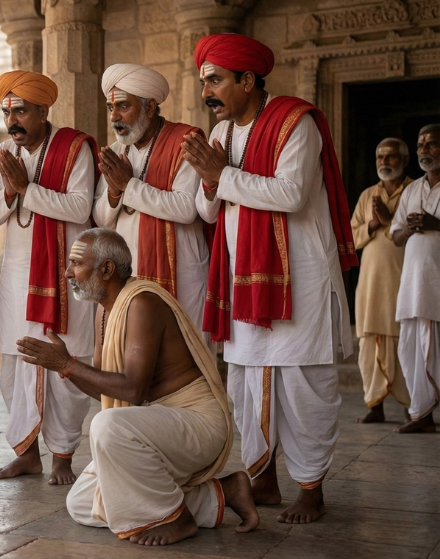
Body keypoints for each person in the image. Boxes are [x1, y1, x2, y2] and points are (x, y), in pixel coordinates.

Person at [183, 34, 358, 524]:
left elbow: (292, 194)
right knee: (246, 381)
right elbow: (206, 208)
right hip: (244, 279)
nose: (207, 93)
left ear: (247, 79)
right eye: (204, 83)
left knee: (304, 384)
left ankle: (311, 485)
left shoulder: (295, 123)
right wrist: (212, 177)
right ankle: (262, 479)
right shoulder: (219, 136)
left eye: (215, 81)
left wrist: (223, 174)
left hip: (297, 277)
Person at [20, 228, 258, 546]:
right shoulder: (107, 311)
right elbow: (111, 390)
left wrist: (67, 365)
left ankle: (178, 518)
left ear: (106, 269)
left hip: (198, 423)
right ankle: (223, 492)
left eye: (76, 263)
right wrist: (66, 369)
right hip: (159, 424)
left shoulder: (142, 303)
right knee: (82, 503)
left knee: (106, 426)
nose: (67, 273)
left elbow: (132, 391)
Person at [0, 70, 97, 485]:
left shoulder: (74, 148)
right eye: (6, 112)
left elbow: (80, 207)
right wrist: (12, 192)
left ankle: (63, 457)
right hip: (18, 276)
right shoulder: (3, 151)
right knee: (15, 368)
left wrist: (27, 189)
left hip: (66, 277)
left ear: (43, 110)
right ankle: (27, 453)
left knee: (64, 366)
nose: (12, 120)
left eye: (20, 111)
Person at [93, 64, 209, 330]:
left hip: (180, 273)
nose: (114, 117)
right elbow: (101, 218)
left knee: (183, 358)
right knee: (133, 358)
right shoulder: (115, 150)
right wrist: (113, 192)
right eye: (111, 108)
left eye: (123, 106)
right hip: (129, 271)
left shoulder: (185, 141)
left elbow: (185, 208)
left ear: (150, 107)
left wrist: (128, 185)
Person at [351, 138, 413, 424]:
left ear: (404, 160)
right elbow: (350, 238)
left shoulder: (415, 191)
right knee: (368, 344)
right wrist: (373, 224)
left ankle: (412, 406)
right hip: (371, 284)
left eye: (390, 157)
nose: (384, 163)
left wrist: (388, 221)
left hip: (404, 281)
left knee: (406, 341)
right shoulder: (367, 196)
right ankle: (374, 405)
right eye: (379, 157)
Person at [390, 124, 440, 434]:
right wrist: (409, 229)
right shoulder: (411, 189)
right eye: (420, 145)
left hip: (436, 284)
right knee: (409, 347)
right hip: (412, 283)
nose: (423, 150)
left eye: (431, 144)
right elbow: (395, 235)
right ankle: (420, 413)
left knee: (433, 347)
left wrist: (436, 223)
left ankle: (424, 413)